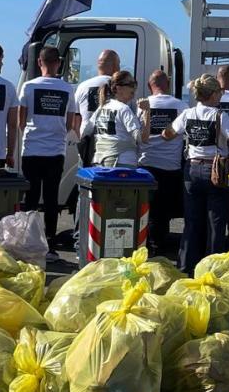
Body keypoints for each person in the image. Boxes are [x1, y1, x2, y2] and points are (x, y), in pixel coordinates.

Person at [156, 74, 229, 274]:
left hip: (191, 170)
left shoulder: (188, 114)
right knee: (215, 223)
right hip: (215, 172)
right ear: (213, 94)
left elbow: (167, 135)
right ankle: (211, 270)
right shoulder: (219, 116)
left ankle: (186, 267)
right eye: (219, 92)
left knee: (192, 223)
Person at [17, 46, 77, 257]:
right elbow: (70, 122)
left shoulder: (28, 87)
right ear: (58, 63)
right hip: (56, 150)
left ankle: (28, 242)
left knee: (31, 199)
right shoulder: (67, 89)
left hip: (32, 149)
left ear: (39, 62)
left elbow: (21, 121)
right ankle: (50, 245)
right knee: (51, 200)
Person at [138, 69, 187, 255]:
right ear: (167, 84)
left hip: (146, 163)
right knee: (164, 210)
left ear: (150, 86)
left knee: (148, 208)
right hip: (170, 166)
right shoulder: (180, 105)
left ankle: (147, 245)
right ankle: (159, 246)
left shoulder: (141, 105)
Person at [87, 70, 142, 167]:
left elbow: (85, 132)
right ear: (118, 88)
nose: (134, 88)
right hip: (123, 162)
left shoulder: (101, 108)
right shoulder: (124, 109)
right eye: (130, 84)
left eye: (135, 84)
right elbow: (140, 138)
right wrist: (146, 113)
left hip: (100, 162)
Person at [75, 49, 120, 165]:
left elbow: (75, 121)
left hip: (87, 144)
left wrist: (80, 143)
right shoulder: (121, 88)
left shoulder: (82, 87)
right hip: (112, 145)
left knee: (86, 178)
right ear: (116, 66)